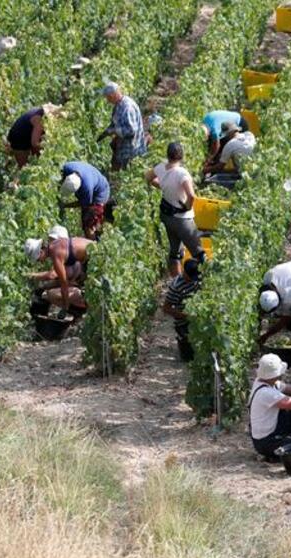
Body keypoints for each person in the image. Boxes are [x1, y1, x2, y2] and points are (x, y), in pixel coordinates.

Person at [146, 142, 204, 276]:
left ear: (168, 154)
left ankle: (176, 283)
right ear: (181, 156)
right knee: (199, 254)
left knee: (175, 253)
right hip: (183, 219)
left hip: (167, 216)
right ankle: (201, 286)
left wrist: (163, 186)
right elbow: (191, 195)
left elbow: (148, 178)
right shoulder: (182, 173)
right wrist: (187, 207)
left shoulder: (160, 167)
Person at [24, 225, 93, 315]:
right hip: (94, 260)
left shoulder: (56, 255)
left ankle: (83, 311)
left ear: (41, 252)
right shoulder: (57, 244)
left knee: (52, 295)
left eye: (38, 259)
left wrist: (65, 307)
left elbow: (63, 285)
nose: (40, 262)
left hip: (97, 264)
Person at [98, 82, 146, 170]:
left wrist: (115, 131)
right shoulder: (118, 105)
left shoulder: (127, 107)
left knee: (128, 176)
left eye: (107, 97)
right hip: (124, 149)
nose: (107, 100)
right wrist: (105, 133)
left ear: (113, 95)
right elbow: (115, 123)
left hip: (131, 151)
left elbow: (131, 131)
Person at [59, 161, 111, 239]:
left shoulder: (87, 188)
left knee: (89, 221)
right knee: (87, 219)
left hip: (101, 192)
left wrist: (65, 205)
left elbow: (84, 204)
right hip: (91, 176)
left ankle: (93, 244)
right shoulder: (67, 168)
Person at [163, 259, 202, 361]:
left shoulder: (197, 279)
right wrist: (187, 316)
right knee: (188, 358)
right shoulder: (176, 286)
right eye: (191, 278)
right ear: (184, 272)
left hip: (200, 319)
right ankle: (183, 342)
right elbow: (166, 308)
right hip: (183, 322)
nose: (193, 280)